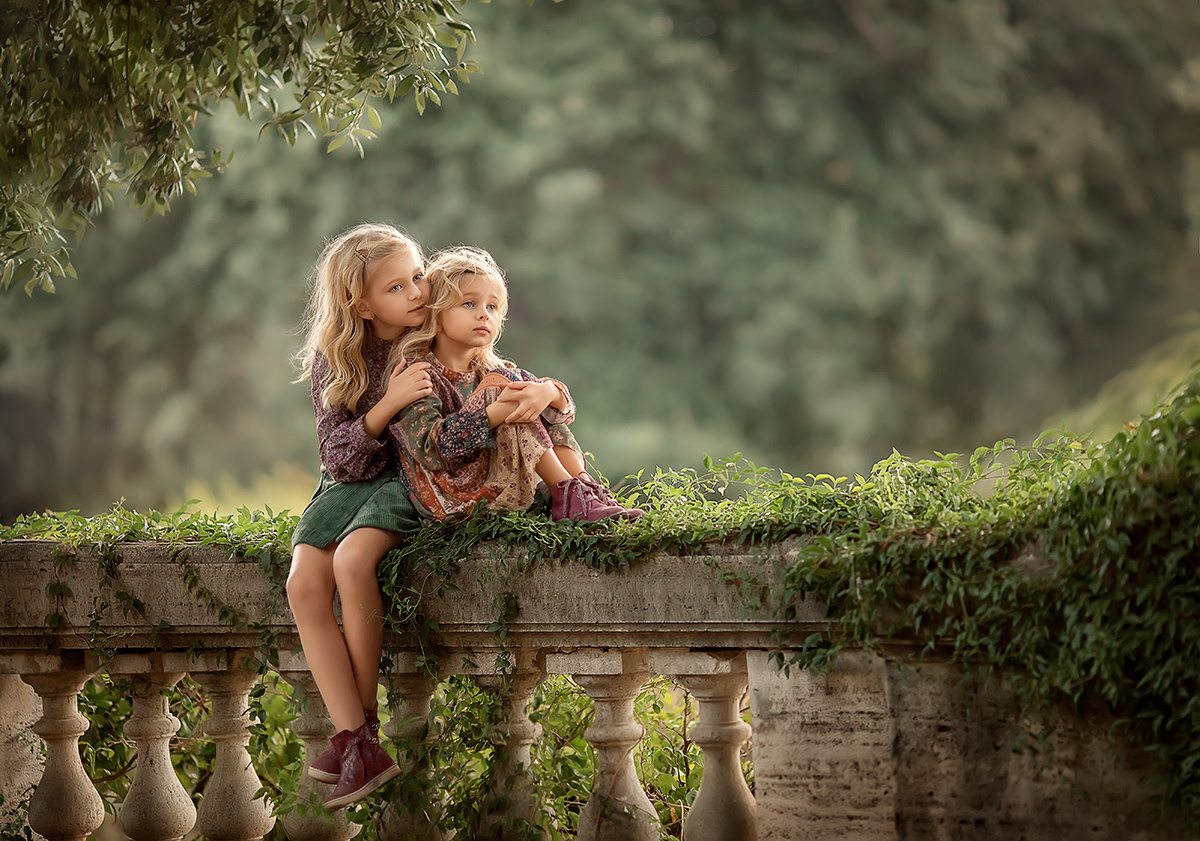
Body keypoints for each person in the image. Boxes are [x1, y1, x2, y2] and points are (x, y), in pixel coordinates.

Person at [286, 222, 435, 810]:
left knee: (351, 562)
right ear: (361, 304)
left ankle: (361, 731)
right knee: (303, 584)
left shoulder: (429, 340)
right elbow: (338, 455)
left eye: (418, 276)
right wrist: (388, 403)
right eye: (398, 287)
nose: (418, 292)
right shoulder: (336, 354)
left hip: (403, 478)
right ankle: (356, 741)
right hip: (347, 478)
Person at [392, 245, 643, 522]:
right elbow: (432, 450)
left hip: (494, 480)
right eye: (468, 303)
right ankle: (571, 496)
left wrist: (548, 392)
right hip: (446, 497)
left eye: (492, 306)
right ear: (436, 316)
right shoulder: (420, 373)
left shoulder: (491, 371)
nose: (484, 314)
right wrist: (494, 413)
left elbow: (564, 414)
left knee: (527, 389)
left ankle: (582, 491)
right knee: (511, 386)